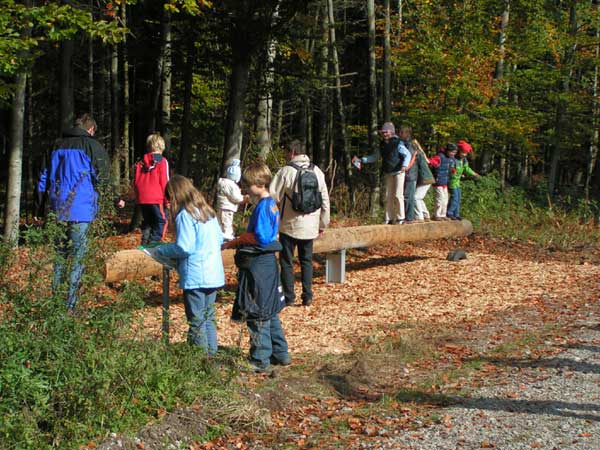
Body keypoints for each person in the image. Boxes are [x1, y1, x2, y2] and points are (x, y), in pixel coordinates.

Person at [35, 113, 124, 314]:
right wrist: (115, 198)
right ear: (90, 129)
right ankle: (69, 307)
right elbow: (102, 176)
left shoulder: (56, 145)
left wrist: (39, 208)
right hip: (81, 210)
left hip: (57, 209)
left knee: (60, 257)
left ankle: (56, 304)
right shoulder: (92, 146)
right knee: (77, 258)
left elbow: (43, 178)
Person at [224, 162, 290, 373]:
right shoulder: (272, 204)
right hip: (269, 262)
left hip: (259, 263)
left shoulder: (263, 207)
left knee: (257, 309)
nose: (245, 189)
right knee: (270, 309)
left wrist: (238, 241)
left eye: (248, 185)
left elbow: (260, 237)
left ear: (259, 184)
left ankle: (260, 358)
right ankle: (280, 353)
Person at [153, 175, 224, 354]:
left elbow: (184, 247)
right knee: (208, 318)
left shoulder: (186, 215)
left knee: (197, 321)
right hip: (213, 274)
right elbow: (219, 238)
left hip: (196, 276)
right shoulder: (208, 212)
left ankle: (199, 361)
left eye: (169, 198)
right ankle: (211, 357)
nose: (168, 203)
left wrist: (162, 250)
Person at [270, 140, 330, 307]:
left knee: (287, 262)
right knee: (306, 261)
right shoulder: (317, 171)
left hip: (289, 226)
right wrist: (323, 224)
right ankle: (307, 296)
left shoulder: (285, 172)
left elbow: (272, 196)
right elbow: (325, 200)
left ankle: (289, 298)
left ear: (292, 153)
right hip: (310, 227)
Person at [360, 122, 411, 224]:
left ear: (391, 132)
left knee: (398, 195)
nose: (384, 134)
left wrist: (404, 165)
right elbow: (375, 157)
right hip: (388, 172)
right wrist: (362, 160)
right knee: (388, 196)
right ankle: (389, 218)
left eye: (386, 132)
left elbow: (408, 154)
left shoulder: (397, 143)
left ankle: (401, 218)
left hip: (399, 172)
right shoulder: (382, 144)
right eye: (383, 132)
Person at [133, 133, 170, 245]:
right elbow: (165, 181)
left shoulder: (140, 162)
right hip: (156, 197)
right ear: (161, 146)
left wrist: (137, 197)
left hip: (142, 198)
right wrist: (168, 200)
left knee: (148, 222)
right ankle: (155, 243)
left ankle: (145, 243)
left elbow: (135, 181)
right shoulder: (162, 161)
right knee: (161, 221)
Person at [447, 140, 480, 220]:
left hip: (457, 182)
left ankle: (456, 214)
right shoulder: (453, 159)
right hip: (451, 182)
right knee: (454, 197)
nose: (464, 154)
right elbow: (450, 168)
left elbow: (466, 168)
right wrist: (453, 171)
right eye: (463, 152)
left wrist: (473, 173)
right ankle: (449, 213)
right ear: (459, 151)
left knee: (458, 198)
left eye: (466, 153)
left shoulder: (464, 160)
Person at [216, 159, 248, 241]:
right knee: (227, 223)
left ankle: (218, 235)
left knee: (220, 222)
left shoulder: (222, 182)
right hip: (227, 208)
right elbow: (235, 197)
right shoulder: (231, 186)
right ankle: (227, 236)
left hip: (221, 206)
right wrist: (243, 198)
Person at [429, 143, 458, 221]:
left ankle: (443, 215)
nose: (453, 154)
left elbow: (450, 166)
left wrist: (453, 170)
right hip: (438, 182)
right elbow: (431, 162)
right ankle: (437, 215)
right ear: (448, 151)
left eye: (455, 153)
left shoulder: (450, 158)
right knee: (439, 199)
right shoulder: (439, 157)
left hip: (445, 182)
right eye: (452, 152)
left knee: (445, 199)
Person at [399, 126, 419, 224]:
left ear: (406, 134)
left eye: (401, 133)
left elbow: (412, 158)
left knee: (408, 196)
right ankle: (407, 217)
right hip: (408, 174)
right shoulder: (406, 144)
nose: (400, 134)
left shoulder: (410, 145)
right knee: (406, 195)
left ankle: (409, 218)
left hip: (410, 174)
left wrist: (406, 168)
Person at [412, 139, 435, 222]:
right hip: (427, 178)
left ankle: (419, 217)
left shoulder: (417, 154)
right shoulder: (421, 153)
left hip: (425, 178)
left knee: (415, 197)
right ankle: (426, 215)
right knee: (419, 198)